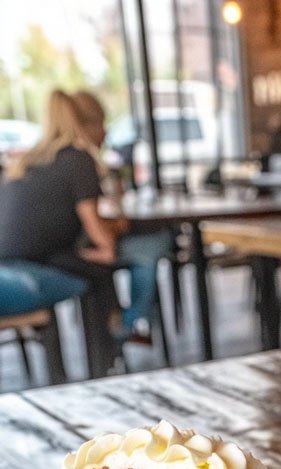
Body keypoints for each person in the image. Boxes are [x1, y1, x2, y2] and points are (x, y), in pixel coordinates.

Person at [0, 89, 121, 374]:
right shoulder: (78, 159)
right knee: (98, 273)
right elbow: (98, 232)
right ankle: (105, 366)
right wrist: (105, 249)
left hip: (7, 263)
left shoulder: (26, 161)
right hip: (32, 272)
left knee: (86, 267)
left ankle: (93, 365)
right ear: (85, 123)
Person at [72, 90, 173, 341]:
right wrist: (117, 226)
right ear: (86, 126)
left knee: (146, 251)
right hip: (76, 252)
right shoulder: (79, 161)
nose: (105, 131)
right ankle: (128, 324)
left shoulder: (59, 160)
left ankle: (133, 323)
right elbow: (102, 238)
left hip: (67, 248)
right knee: (156, 244)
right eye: (99, 124)